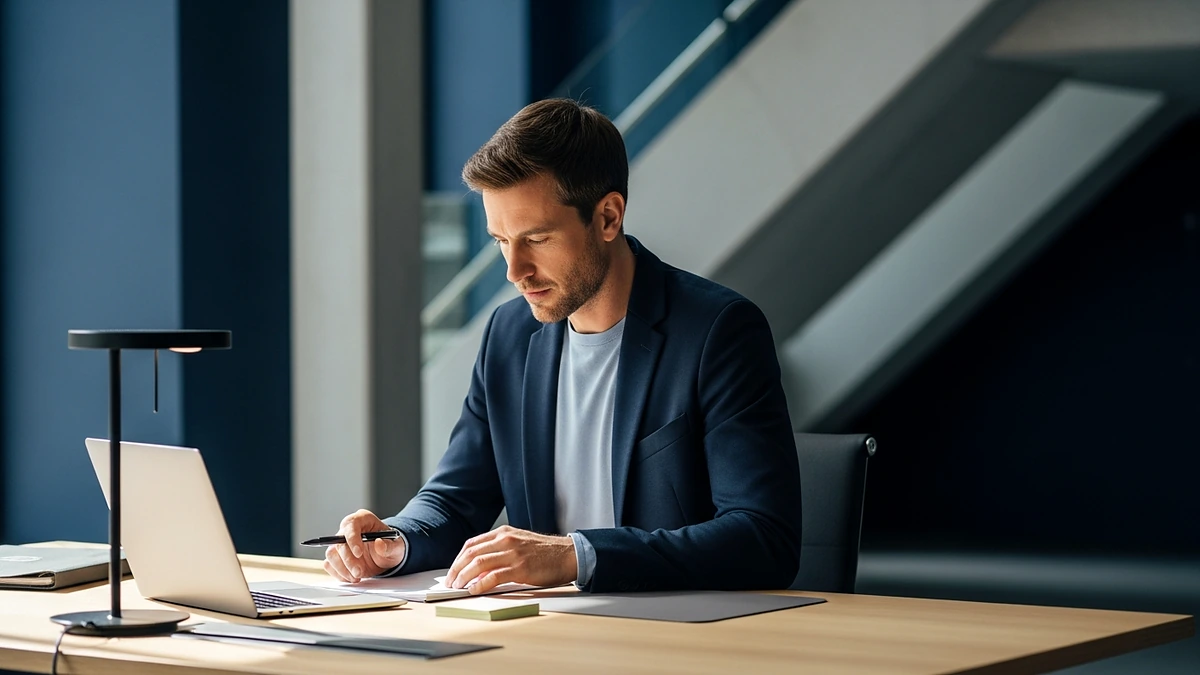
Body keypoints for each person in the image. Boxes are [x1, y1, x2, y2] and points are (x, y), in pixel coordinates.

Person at [323, 98, 802, 594]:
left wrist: (575, 555)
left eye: (537, 238)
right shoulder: (508, 336)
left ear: (608, 217)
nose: (514, 271)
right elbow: (455, 500)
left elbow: (763, 537)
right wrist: (393, 539)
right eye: (501, 241)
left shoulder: (718, 332)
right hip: (548, 633)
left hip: (680, 640)